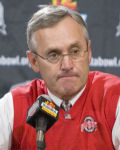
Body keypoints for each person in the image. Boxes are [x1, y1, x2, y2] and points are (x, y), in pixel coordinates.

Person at [0, 5, 120, 150]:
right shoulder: (13, 106)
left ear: (88, 53)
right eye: (54, 55)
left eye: (75, 51)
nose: (67, 65)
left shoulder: (115, 96)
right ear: (34, 61)